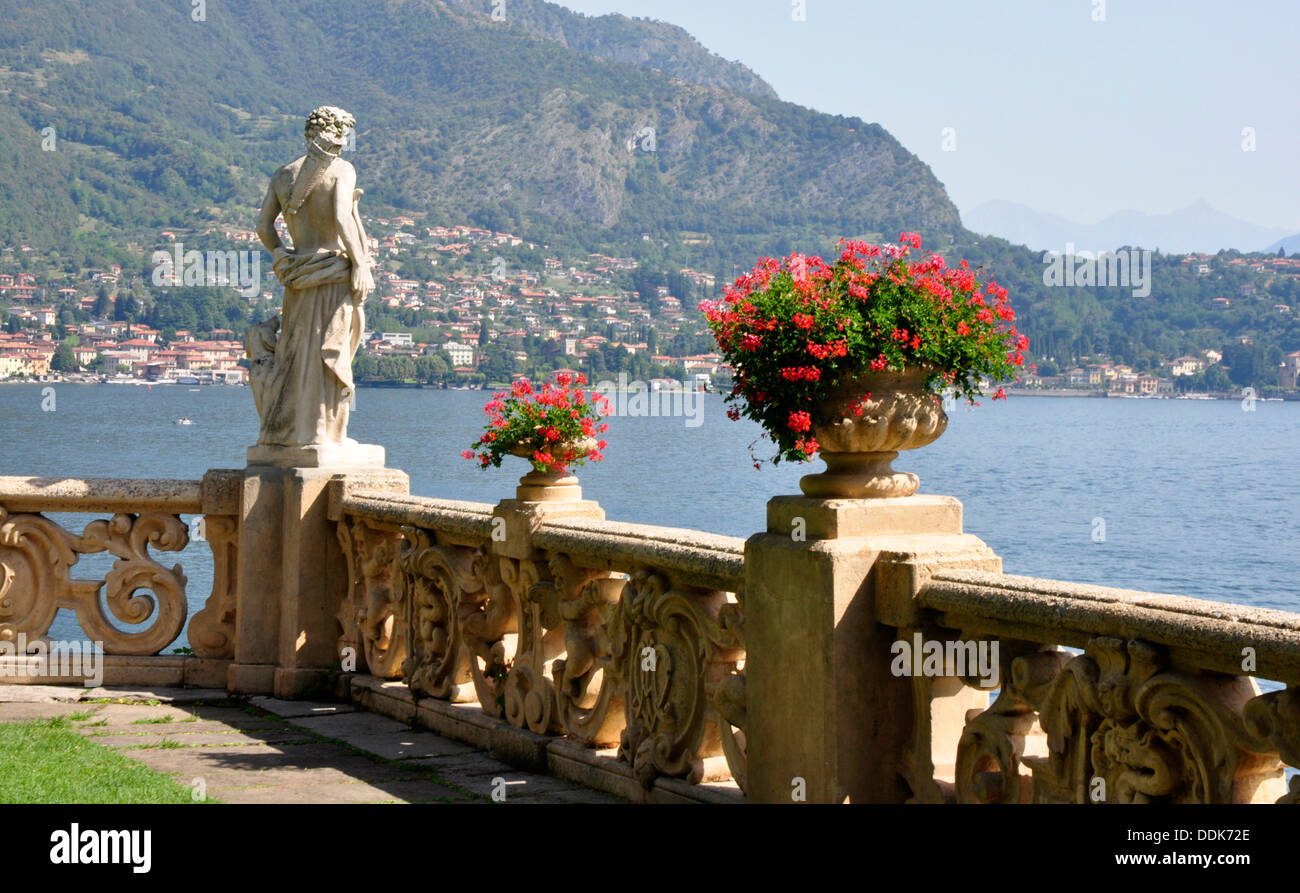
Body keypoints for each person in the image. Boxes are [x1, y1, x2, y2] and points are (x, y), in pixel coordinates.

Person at [250, 106, 375, 452]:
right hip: (332, 276)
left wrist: (280, 254)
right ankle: (326, 434)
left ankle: (293, 432)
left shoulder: (283, 175)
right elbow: (341, 217)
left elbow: (263, 228)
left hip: (298, 275)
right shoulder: (341, 170)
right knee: (329, 350)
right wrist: (361, 263)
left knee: (296, 351)